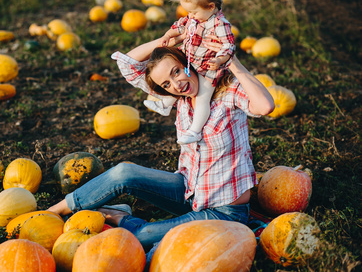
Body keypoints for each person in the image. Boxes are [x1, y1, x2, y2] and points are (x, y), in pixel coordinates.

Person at [47, 36, 274, 266]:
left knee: (143, 236)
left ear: (187, 62)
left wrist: (231, 60)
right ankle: (55, 211)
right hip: (187, 191)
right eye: (166, 84)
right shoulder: (180, 99)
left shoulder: (227, 91)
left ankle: (117, 216)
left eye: (176, 71)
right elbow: (128, 65)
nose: (176, 84)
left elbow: (266, 106)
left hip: (223, 213)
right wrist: (169, 38)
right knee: (124, 172)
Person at [144, 0, 236, 145]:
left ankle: (194, 131)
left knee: (202, 97)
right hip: (190, 60)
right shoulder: (195, 17)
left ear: (210, 6)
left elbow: (228, 46)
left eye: (193, 12)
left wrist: (220, 61)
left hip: (209, 68)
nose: (190, 16)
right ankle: (164, 103)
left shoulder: (220, 25)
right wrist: (167, 35)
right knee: (176, 81)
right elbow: (179, 25)